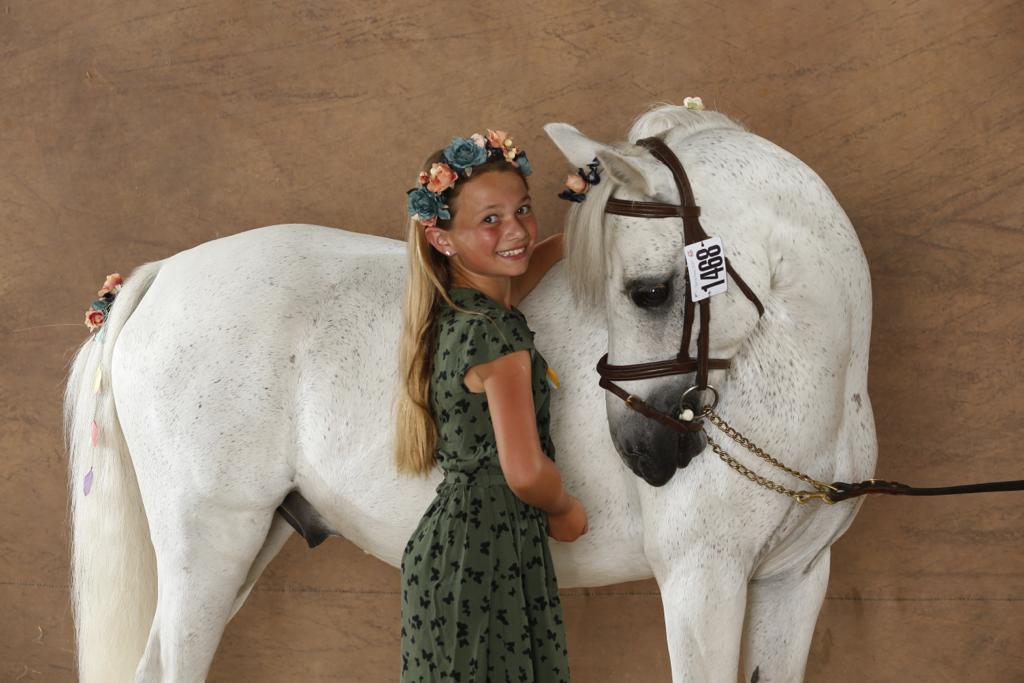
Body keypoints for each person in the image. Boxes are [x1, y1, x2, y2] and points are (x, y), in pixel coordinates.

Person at [394, 128, 588, 682]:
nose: (518, 231)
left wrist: (584, 231)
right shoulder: (495, 339)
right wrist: (564, 508)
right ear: (444, 240)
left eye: (522, 210)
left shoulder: (459, 312)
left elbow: (526, 262)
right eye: (491, 219)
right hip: (487, 558)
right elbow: (524, 472)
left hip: (459, 553)